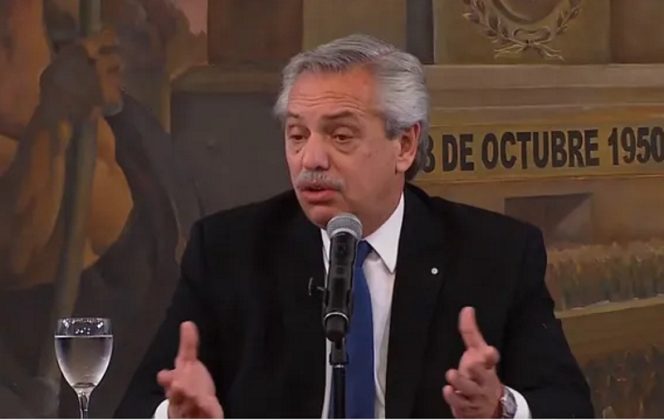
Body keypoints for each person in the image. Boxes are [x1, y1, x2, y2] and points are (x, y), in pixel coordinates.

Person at [115, 34, 593, 418]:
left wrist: (500, 407)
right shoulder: (227, 251)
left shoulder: (495, 254)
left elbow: (569, 407)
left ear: (405, 145)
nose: (311, 159)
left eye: (340, 135)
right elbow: (136, 408)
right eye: (297, 135)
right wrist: (174, 415)